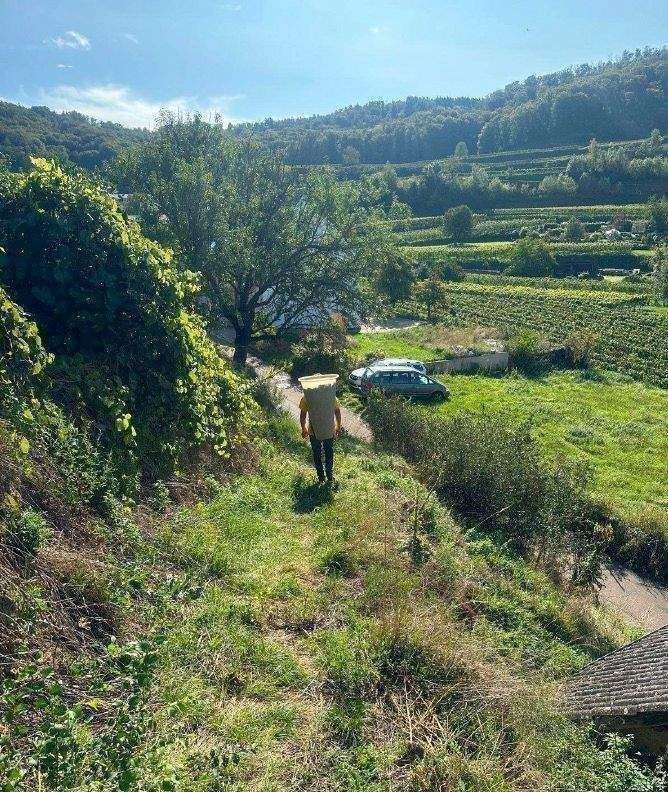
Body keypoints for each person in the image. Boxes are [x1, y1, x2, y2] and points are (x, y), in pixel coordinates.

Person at [299, 390, 342, 485]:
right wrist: (338, 427)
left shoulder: (307, 397)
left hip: (313, 431)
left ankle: (321, 478)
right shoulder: (331, 396)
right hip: (329, 430)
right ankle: (330, 476)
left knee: (317, 454)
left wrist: (304, 429)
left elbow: (303, 416)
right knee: (329, 452)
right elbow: (337, 412)